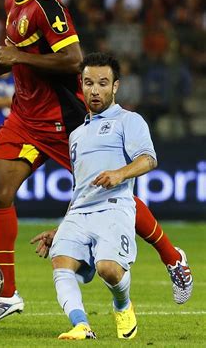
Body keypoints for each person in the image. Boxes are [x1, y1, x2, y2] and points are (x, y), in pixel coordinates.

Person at [0, 0, 192, 328]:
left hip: (63, 118)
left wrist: (18, 57)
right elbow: (21, 55)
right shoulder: (14, 2)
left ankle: (172, 258)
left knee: (110, 189)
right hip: (25, 116)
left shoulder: (47, 6)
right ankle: (7, 295)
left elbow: (73, 60)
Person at [31, 52, 156, 340]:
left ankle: (122, 304)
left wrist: (120, 174)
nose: (95, 90)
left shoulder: (129, 120)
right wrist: (61, 228)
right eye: (88, 83)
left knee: (108, 270)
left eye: (102, 83)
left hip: (114, 208)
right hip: (79, 213)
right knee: (61, 261)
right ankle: (81, 325)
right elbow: (80, 188)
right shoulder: (76, 135)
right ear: (82, 85)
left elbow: (148, 159)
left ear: (115, 87)